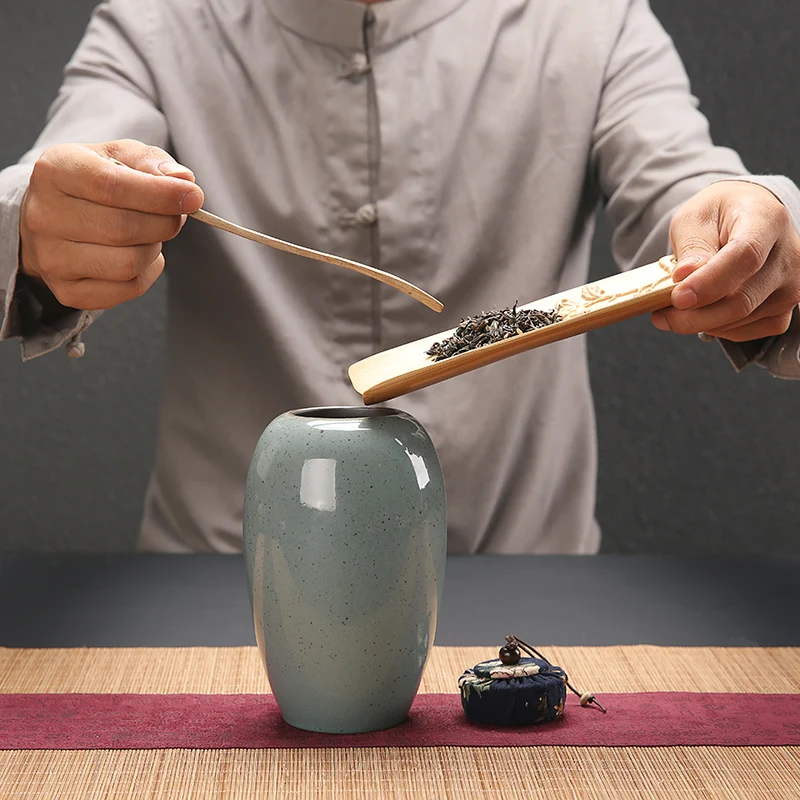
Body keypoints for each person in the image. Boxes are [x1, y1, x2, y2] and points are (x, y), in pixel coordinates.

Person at [1, 0, 799, 554]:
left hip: (530, 583)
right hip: (218, 584)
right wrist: (41, 223)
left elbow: (687, 184)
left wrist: (760, 221)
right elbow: (57, 174)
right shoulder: (154, 23)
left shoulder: (594, 18)